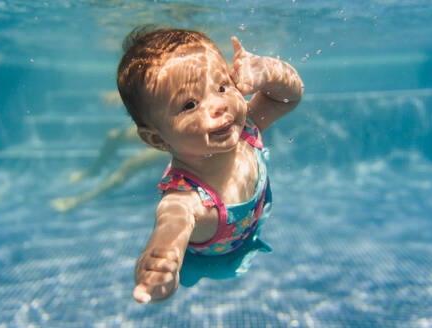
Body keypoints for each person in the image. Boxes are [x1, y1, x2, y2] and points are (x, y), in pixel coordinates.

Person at [117, 27, 303, 303]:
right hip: (210, 259)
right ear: (156, 139)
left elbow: (290, 96)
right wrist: (158, 263)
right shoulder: (186, 198)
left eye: (222, 86)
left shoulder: (246, 128)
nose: (218, 105)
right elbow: (170, 227)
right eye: (190, 104)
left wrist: (268, 71)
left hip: (247, 231)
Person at [50, 126, 168, 212]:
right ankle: (92, 171)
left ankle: (79, 200)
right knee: (114, 136)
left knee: (130, 165)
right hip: (162, 127)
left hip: (177, 139)